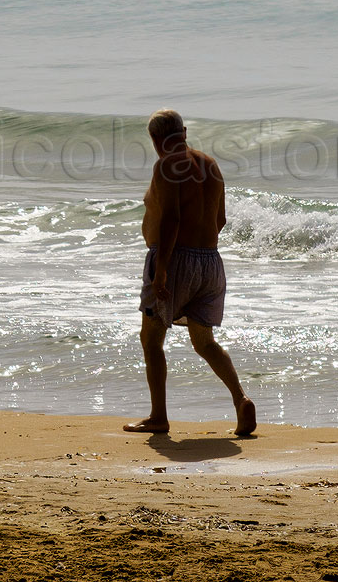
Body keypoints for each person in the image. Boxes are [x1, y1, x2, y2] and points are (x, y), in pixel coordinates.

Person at [124, 109, 257, 437]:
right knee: (204, 341)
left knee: (151, 339)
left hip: (175, 260)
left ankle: (158, 417)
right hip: (210, 262)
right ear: (183, 131)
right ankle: (241, 400)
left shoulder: (166, 164)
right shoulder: (210, 164)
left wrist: (164, 270)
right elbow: (221, 219)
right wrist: (199, 255)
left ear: (156, 139)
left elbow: (171, 218)